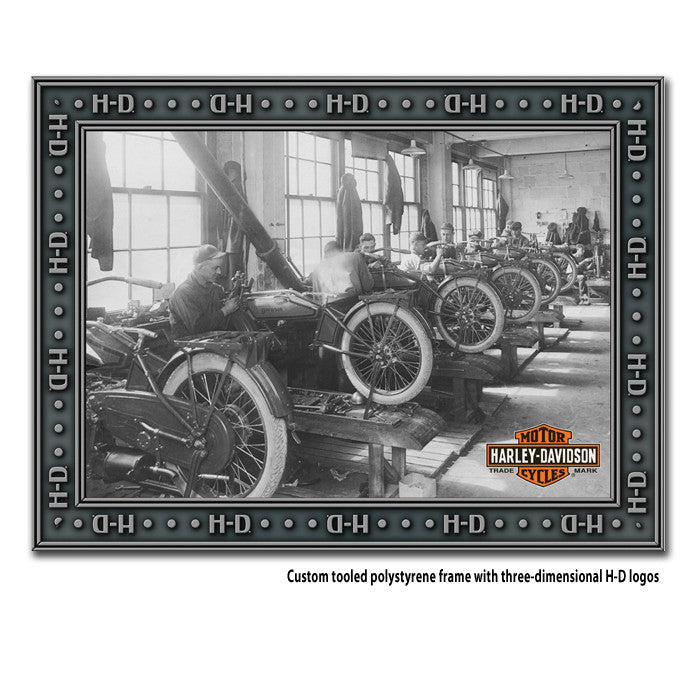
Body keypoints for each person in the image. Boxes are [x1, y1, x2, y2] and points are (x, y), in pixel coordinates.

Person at [169, 244, 241, 339]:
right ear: (200, 267)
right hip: (188, 345)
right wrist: (226, 310)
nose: (219, 272)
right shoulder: (183, 293)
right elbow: (197, 327)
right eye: (215, 268)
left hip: (213, 341)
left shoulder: (216, 289)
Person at [309, 241, 374, 297]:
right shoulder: (356, 256)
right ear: (341, 250)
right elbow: (367, 286)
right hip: (351, 301)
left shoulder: (317, 268)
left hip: (329, 304)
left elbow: (317, 295)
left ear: (326, 254)